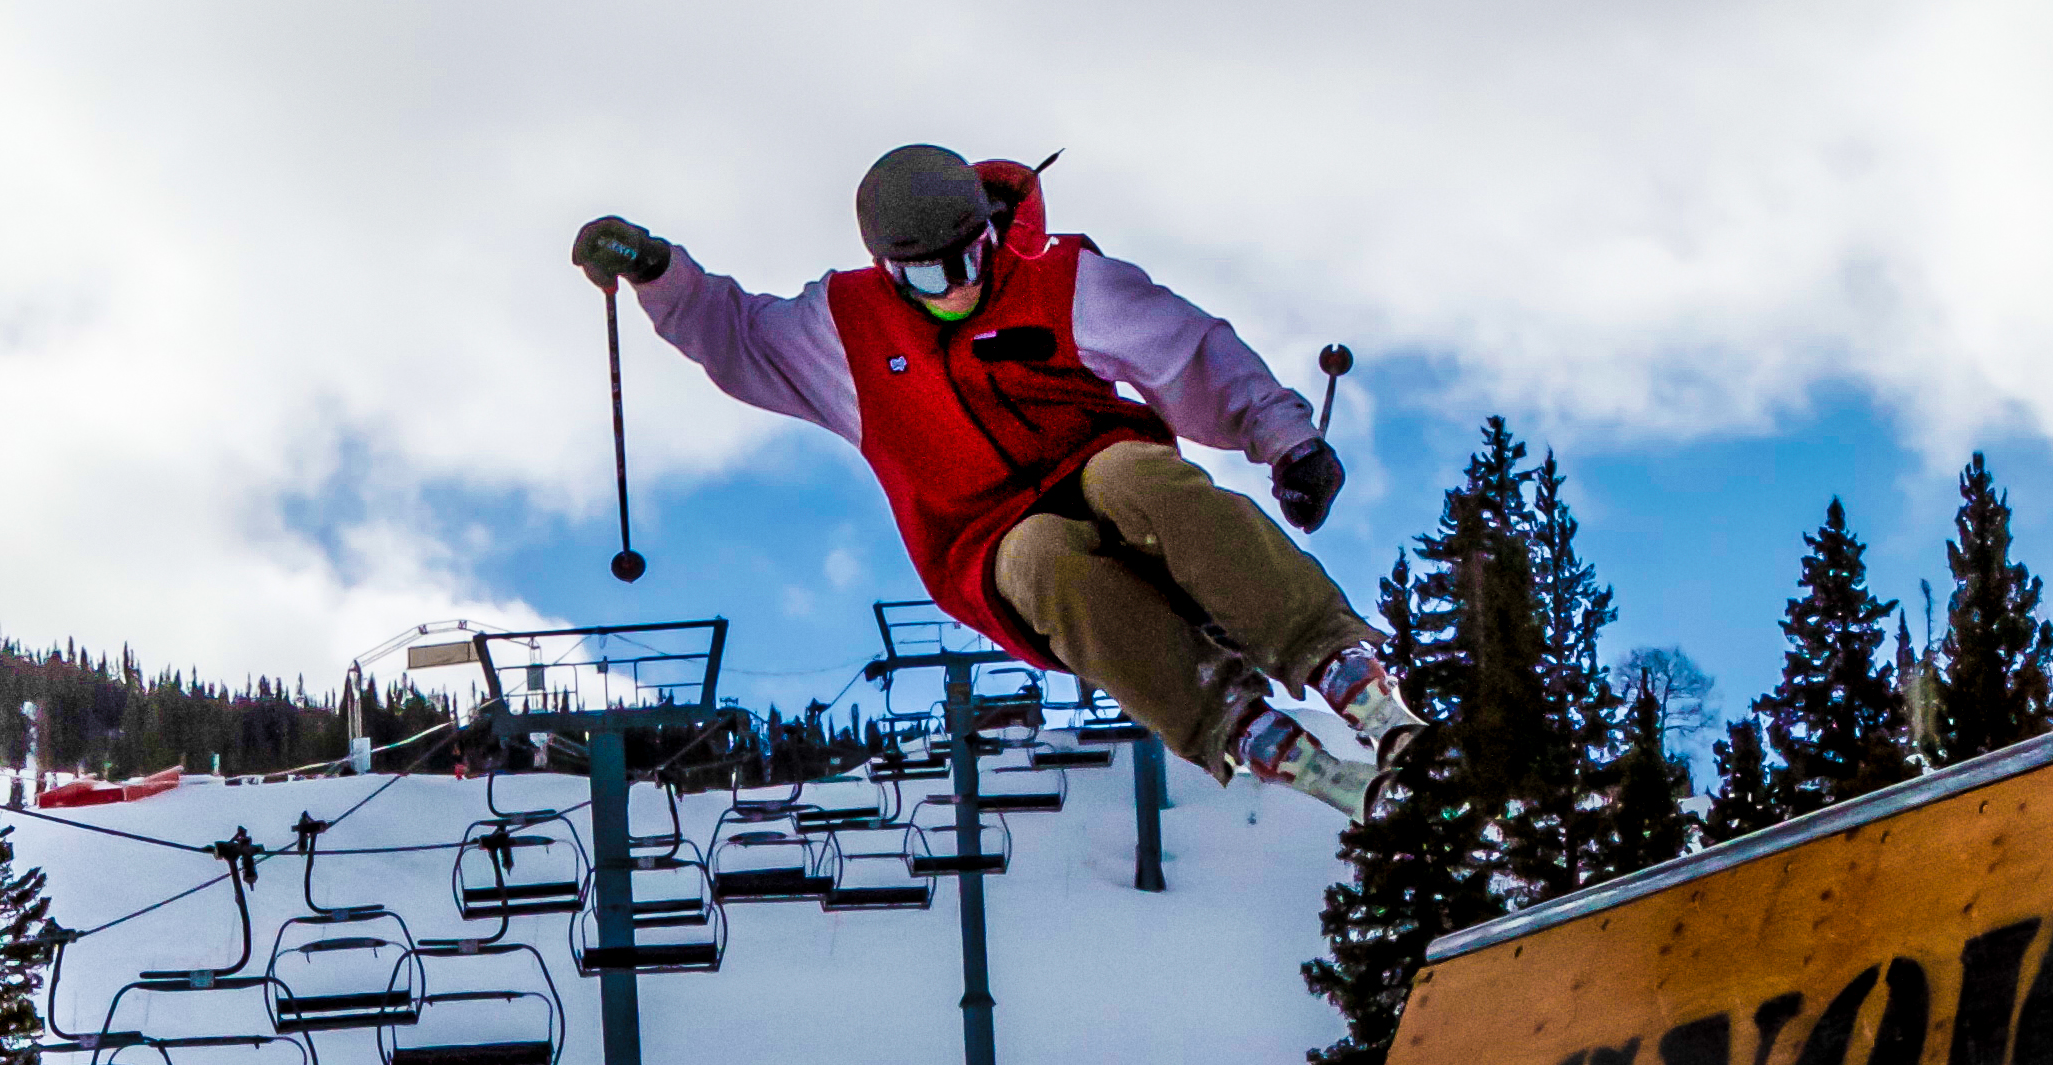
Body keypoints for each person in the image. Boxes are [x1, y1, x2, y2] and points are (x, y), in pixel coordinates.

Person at [575, 147, 1429, 801]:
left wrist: (1289, 442)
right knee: (1041, 561)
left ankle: (1343, 671)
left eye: (971, 254)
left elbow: (1193, 353)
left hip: (1096, 462)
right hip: (981, 536)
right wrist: (656, 269)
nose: (959, 284)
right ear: (887, 267)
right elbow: (736, 333)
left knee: (1138, 480)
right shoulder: (844, 328)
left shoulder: (1059, 282)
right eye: (927, 273)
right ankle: (1245, 728)